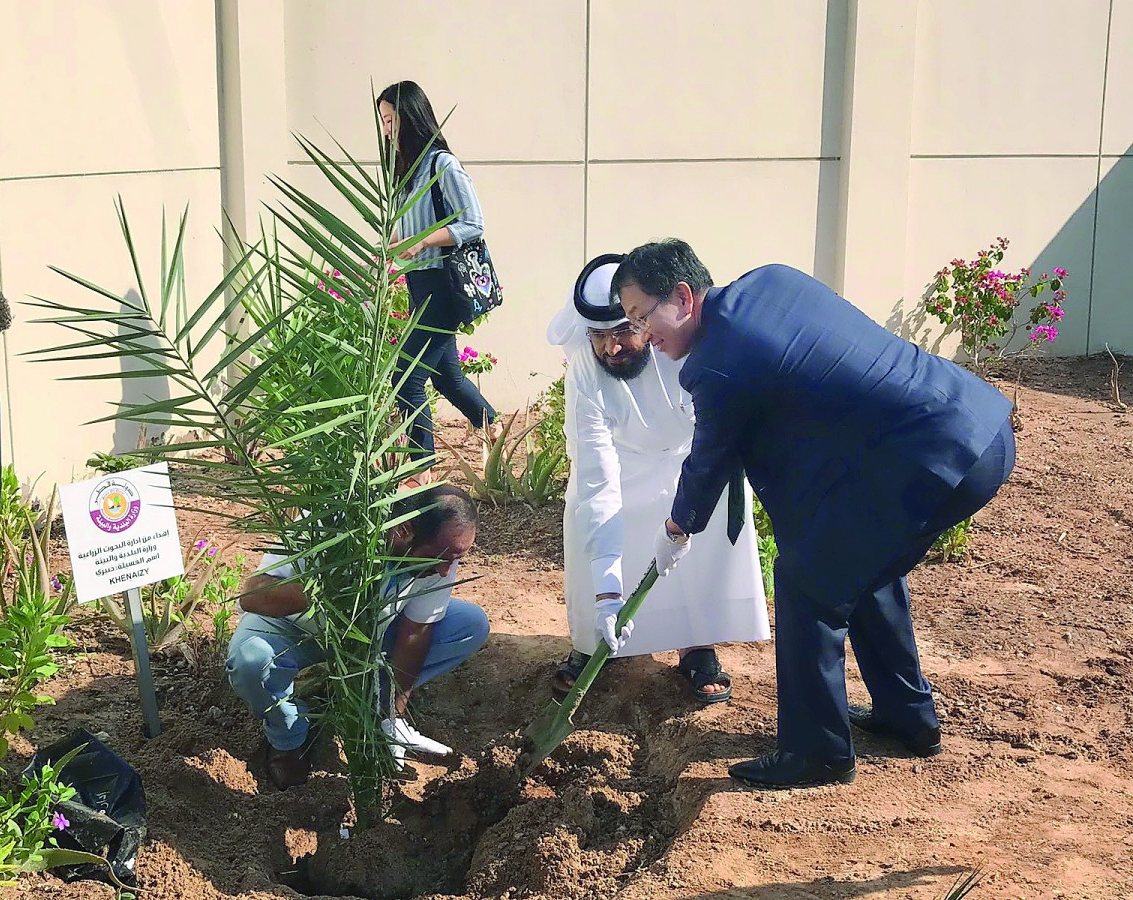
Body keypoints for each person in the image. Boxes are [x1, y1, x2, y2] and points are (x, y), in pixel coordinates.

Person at [612, 240, 1016, 789]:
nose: (642, 334)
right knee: (861, 569)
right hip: (977, 427)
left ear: (682, 297)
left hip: (932, 456)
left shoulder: (717, 362)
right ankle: (907, 717)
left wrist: (676, 528)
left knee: (805, 584)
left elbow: (709, 461)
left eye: (642, 316)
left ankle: (816, 753)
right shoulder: (770, 280)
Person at [545, 254, 770, 701]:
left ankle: (696, 646)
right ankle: (595, 642)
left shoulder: (680, 346)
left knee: (703, 533)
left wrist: (687, 506)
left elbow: (714, 433)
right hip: (618, 470)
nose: (611, 348)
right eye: (599, 337)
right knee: (588, 521)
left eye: (624, 332)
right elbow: (596, 479)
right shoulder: (586, 375)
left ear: (644, 322)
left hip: (692, 464)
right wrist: (609, 594)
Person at [225, 484, 489, 789]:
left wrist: (393, 716)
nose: (446, 571)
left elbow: (417, 629)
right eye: (440, 558)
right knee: (252, 662)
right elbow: (253, 595)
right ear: (404, 530)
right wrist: (334, 591)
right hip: (294, 627)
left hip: (369, 635)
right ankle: (288, 741)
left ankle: (368, 702)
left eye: (455, 560)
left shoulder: (441, 554)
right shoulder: (332, 521)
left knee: (469, 626)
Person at [377, 81, 499, 473]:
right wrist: (388, 247)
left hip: (442, 285)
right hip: (419, 284)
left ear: (410, 119)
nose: (386, 129)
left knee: (406, 377)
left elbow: (473, 223)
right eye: (382, 120)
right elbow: (409, 227)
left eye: (391, 119)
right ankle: (493, 432)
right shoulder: (407, 172)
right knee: (446, 375)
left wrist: (420, 242)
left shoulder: (442, 164)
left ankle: (421, 470)